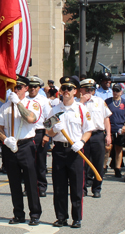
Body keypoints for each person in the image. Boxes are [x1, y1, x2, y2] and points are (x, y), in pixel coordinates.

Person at [46, 76, 95, 229]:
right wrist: (54, 129)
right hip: (59, 149)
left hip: (75, 150)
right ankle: (61, 217)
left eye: (69, 89)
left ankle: (77, 218)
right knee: (59, 186)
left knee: (76, 185)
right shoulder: (54, 110)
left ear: (75, 91)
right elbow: (48, 131)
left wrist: (81, 142)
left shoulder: (81, 109)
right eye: (64, 89)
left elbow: (88, 130)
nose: (66, 91)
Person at [0, 75, 42, 226]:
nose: (15, 90)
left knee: (30, 182)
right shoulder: (5, 106)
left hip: (26, 145)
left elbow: (31, 119)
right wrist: (5, 139)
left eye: (19, 87)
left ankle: (34, 213)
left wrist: (19, 103)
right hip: (10, 145)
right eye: (13, 87)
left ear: (26, 89)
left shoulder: (32, 104)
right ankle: (18, 214)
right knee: (14, 182)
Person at [78, 78, 111, 197]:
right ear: (81, 90)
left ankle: (97, 188)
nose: (89, 92)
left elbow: (106, 118)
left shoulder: (100, 101)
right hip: (83, 136)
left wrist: (108, 135)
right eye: (86, 90)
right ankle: (83, 187)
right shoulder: (77, 103)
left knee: (98, 162)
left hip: (97, 134)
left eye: (91, 90)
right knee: (83, 163)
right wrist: (81, 102)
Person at [27, 76, 51, 197]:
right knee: (27, 162)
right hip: (26, 134)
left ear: (39, 88)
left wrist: (47, 135)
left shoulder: (43, 100)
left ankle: (41, 186)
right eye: (30, 86)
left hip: (40, 133)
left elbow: (50, 119)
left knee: (40, 162)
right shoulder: (23, 99)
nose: (32, 89)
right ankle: (29, 187)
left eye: (35, 87)